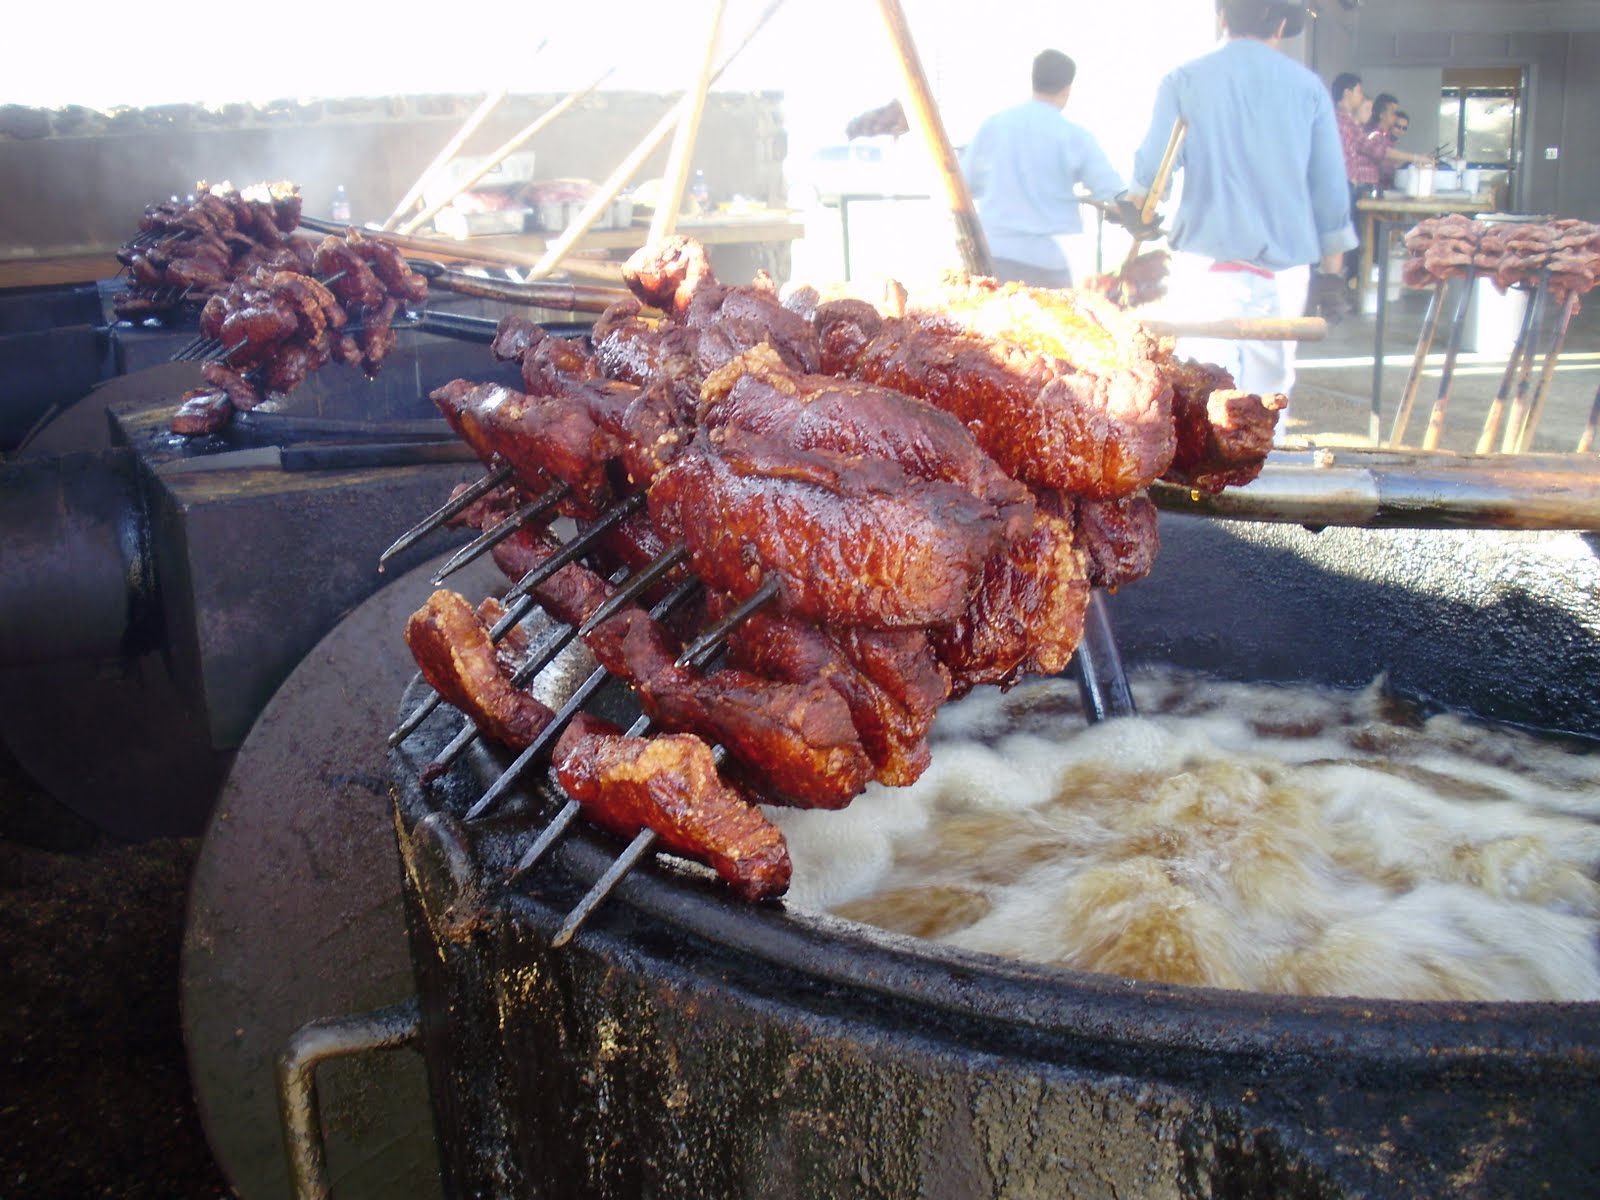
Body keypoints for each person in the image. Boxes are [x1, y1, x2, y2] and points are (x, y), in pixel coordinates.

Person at [1126, 0, 1356, 413]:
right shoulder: (1308, 89)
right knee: (1269, 398)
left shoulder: (1184, 80)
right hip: (1282, 271)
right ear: (1283, 24)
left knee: (1199, 388)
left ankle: (1201, 473)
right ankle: (1266, 470)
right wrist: (1334, 273)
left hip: (1204, 265)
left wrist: (1139, 208)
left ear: (1224, 18)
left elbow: (1151, 176)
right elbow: (1329, 188)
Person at [961, 49, 1127, 289]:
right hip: (1044, 265)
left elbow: (964, 185)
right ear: (1067, 88)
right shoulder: (1073, 135)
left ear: (1033, 79)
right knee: (1062, 323)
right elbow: (1113, 193)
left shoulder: (994, 126)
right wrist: (1134, 213)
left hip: (993, 256)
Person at [1359, 93, 1433, 192]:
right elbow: (1385, 153)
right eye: (1393, 112)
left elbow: (1391, 163)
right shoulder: (1373, 133)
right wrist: (1416, 158)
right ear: (1381, 114)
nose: (1395, 116)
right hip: (1367, 188)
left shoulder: (1385, 136)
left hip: (1379, 187)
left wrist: (1416, 160)